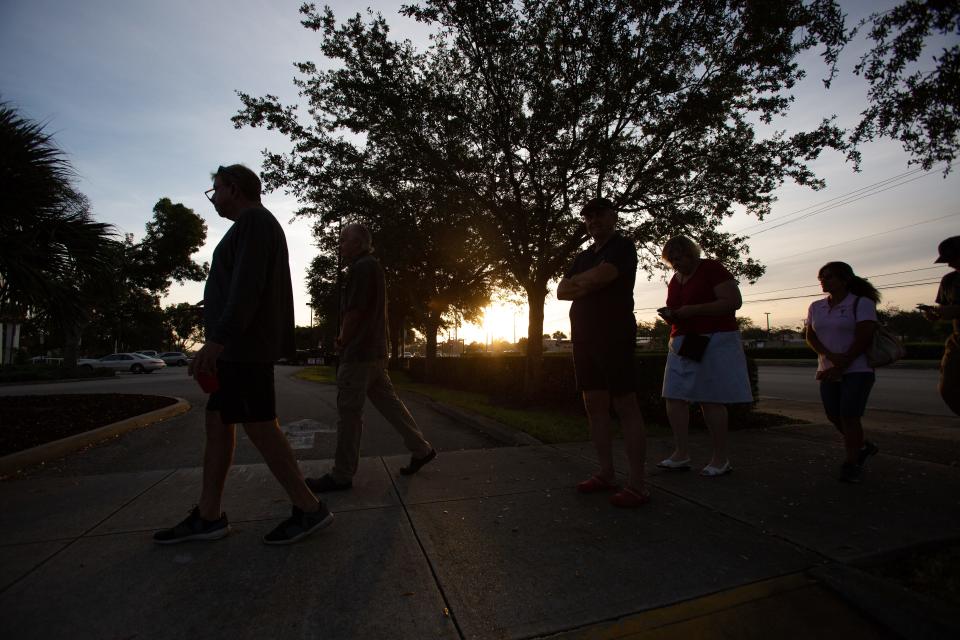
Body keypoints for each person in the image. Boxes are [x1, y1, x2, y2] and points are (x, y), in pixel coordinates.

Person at [153, 164, 332, 545]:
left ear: (233, 189)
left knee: (260, 424)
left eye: (215, 189)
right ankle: (208, 514)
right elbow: (239, 287)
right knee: (218, 422)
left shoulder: (254, 222)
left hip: (244, 348)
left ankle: (309, 507)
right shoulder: (249, 226)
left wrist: (217, 341)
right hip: (236, 347)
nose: (213, 196)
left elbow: (247, 289)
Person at [306, 223, 436, 493]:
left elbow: (355, 311)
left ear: (358, 243)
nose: (339, 245)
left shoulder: (361, 268)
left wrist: (342, 340)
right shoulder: (373, 267)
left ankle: (342, 475)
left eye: (344, 240)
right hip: (375, 353)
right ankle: (421, 449)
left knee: (349, 415)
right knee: (391, 405)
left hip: (359, 354)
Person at [557, 197, 649, 508]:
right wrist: (587, 282)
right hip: (583, 337)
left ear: (613, 216)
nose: (593, 220)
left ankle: (638, 485)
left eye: (598, 214)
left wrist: (583, 284)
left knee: (625, 404)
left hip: (614, 334)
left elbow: (605, 276)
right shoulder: (583, 256)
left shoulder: (623, 246)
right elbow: (561, 291)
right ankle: (606, 474)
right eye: (588, 216)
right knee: (594, 405)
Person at [657, 236, 752, 477]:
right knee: (674, 395)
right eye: (672, 260)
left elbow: (733, 302)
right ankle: (681, 453)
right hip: (683, 340)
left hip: (714, 338)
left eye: (680, 257)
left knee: (710, 398)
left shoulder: (711, 268)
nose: (677, 263)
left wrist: (695, 310)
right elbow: (678, 309)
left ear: (692, 253)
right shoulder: (675, 280)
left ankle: (721, 459)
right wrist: (672, 315)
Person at [805, 261, 881, 483]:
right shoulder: (816, 306)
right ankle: (864, 445)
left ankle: (852, 462)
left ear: (844, 279)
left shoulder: (861, 303)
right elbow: (810, 336)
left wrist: (843, 363)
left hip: (857, 369)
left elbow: (864, 336)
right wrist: (829, 358)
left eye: (828, 277)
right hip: (828, 369)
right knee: (833, 414)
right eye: (821, 277)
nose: (823, 281)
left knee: (849, 415)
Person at [920, 236, 960, 415]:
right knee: (949, 389)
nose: (950, 264)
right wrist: (935, 314)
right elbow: (944, 309)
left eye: (953, 259)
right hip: (958, 340)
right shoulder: (949, 280)